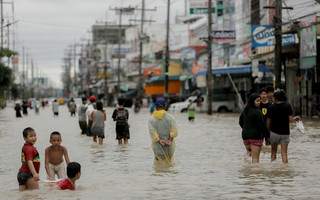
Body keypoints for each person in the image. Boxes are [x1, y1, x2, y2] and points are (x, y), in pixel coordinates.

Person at [266, 90, 301, 163]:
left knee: (273, 153)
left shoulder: (271, 107)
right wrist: (296, 118)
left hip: (274, 132)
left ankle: (274, 169)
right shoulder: (287, 106)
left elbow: (268, 122)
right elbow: (291, 120)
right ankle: (285, 171)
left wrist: (268, 132)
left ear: (275, 98)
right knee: (284, 154)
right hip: (285, 133)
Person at [239, 93, 268, 163]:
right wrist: (268, 135)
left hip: (245, 136)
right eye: (257, 101)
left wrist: (247, 128)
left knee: (249, 151)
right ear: (252, 101)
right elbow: (262, 125)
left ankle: (243, 163)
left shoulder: (245, 110)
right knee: (255, 158)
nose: (259, 102)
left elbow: (240, 122)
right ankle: (255, 173)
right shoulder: (257, 112)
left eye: (259, 101)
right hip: (255, 136)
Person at [148, 98, 178, 164]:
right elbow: (174, 131)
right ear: (165, 107)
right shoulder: (171, 118)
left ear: (155, 107)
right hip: (169, 147)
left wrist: (159, 140)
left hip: (158, 148)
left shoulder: (151, 119)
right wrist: (170, 140)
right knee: (168, 168)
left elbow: (152, 132)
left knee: (159, 168)